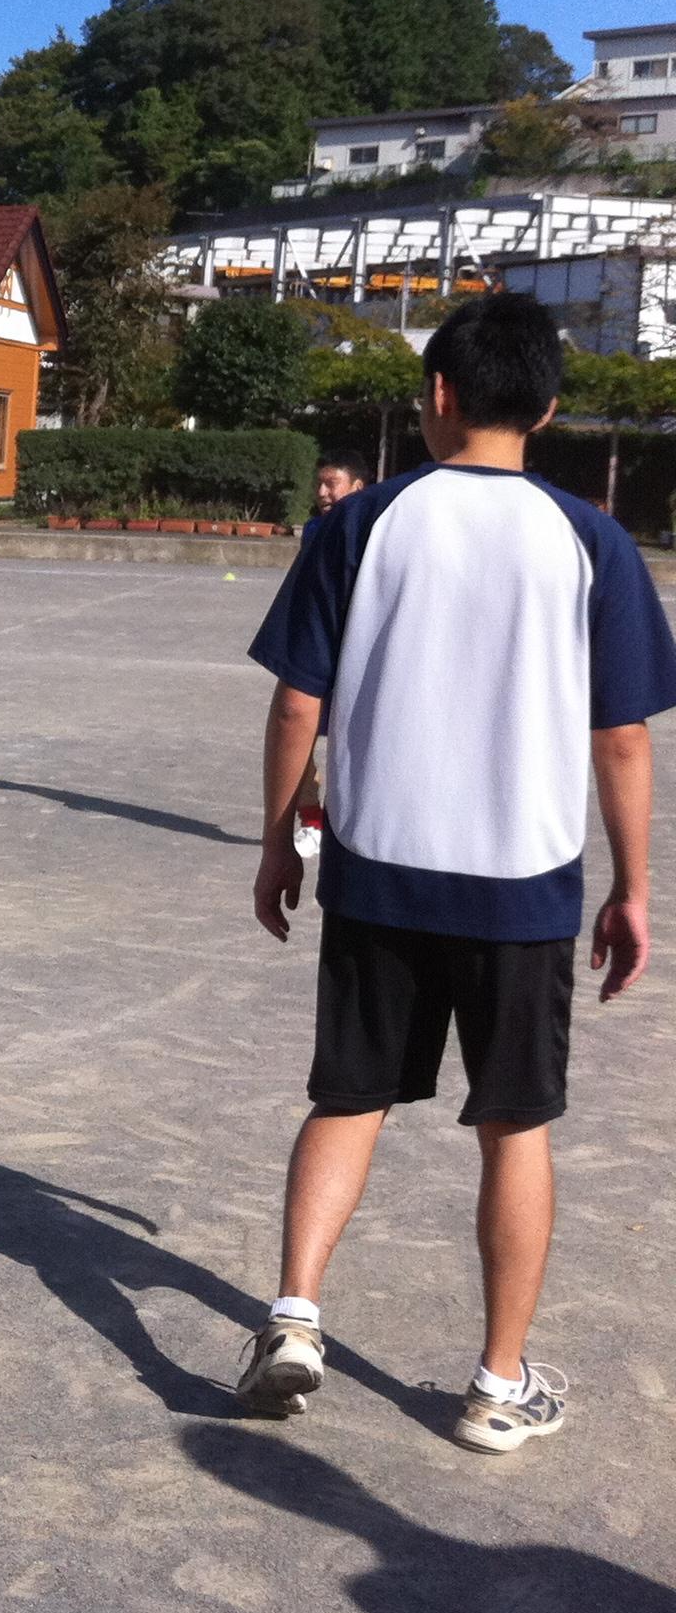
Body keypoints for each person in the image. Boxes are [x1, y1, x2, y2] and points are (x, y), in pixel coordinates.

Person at [241, 292, 676, 1453]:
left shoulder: (364, 523)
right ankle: (496, 1383)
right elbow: (622, 737)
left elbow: (298, 700)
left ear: (436, 396)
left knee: (349, 1095)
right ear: (546, 406)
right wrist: (633, 889)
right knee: (515, 1125)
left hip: (379, 874)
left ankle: (294, 1314)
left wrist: (282, 836)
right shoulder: (592, 541)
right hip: (522, 883)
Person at [292, 452, 375, 857]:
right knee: (300, 740)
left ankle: (350, 822)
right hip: (319, 651)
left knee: (355, 743)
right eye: (319, 484)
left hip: (360, 657)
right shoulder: (313, 530)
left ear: (357, 487)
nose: (323, 492)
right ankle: (311, 819)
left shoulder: (378, 531)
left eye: (332, 484)